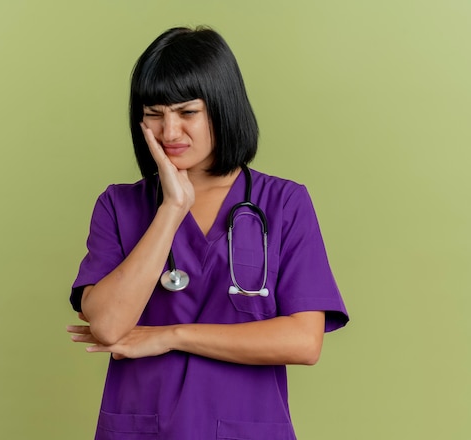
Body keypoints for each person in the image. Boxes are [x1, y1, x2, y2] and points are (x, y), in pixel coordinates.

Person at [67, 26, 348, 440]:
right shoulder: (119, 206)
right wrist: (171, 209)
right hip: (144, 427)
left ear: (222, 107)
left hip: (245, 428)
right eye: (153, 114)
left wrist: (171, 336)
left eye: (187, 112)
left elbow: (303, 342)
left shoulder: (285, 204)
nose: (169, 132)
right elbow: (108, 326)